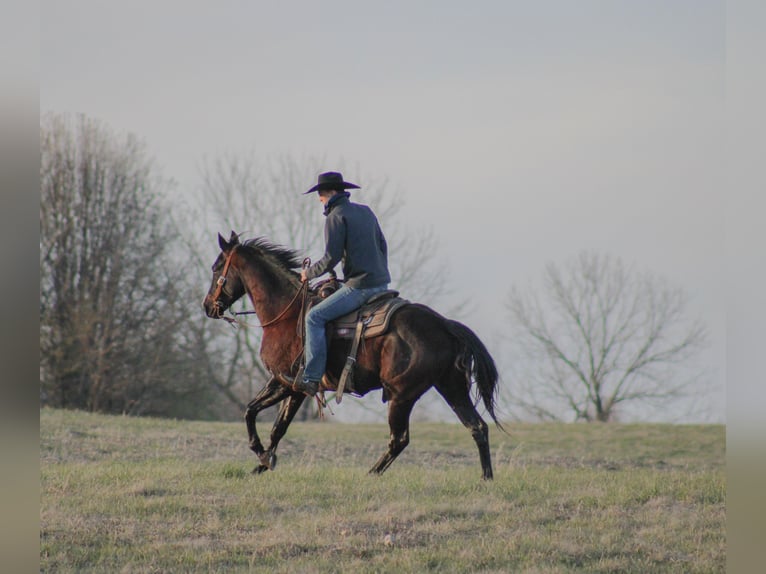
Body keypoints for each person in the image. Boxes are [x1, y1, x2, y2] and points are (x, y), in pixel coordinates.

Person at [293, 171, 391, 396]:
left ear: (329, 192)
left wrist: (309, 273)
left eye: (319, 194)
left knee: (313, 317)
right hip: (382, 284)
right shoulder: (366, 212)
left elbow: (330, 258)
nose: (319, 199)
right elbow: (383, 245)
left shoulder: (335, 217)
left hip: (359, 287)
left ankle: (311, 378)